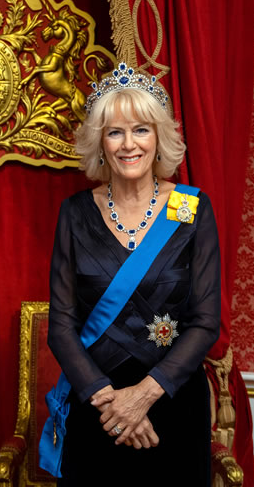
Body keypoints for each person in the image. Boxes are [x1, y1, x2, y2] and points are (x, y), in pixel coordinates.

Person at [43, 62, 220, 485]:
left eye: (141, 129)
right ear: (100, 143)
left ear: (159, 137)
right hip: (97, 405)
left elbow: (206, 321)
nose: (128, 144)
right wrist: (110, 403)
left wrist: (143, 396)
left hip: (172, 400)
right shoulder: (75, 213)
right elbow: (61, 325)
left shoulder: (191, 209)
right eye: (114, 132)